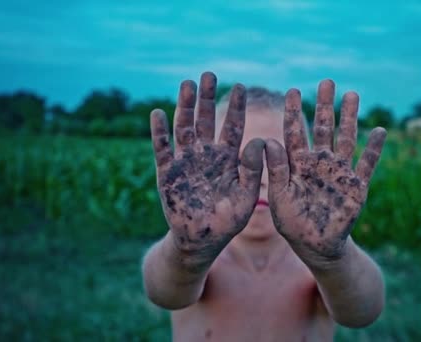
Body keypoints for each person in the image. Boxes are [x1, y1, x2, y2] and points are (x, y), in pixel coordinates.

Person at [142, 71, 387, 341]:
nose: (259, 177)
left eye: (277, 160)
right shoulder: (199, 261)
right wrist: (188, 251)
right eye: (237, 159)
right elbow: (163, 291)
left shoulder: (317, 268)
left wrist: (332, 258)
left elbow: (363, 311)